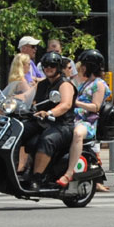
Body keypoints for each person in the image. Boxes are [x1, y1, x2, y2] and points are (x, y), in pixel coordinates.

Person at [55, 49, 109, 188]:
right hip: (74, 117)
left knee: (78, 134)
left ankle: (69, 173)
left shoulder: (99, 84)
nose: (81, 67)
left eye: (84, 64)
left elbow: (96, 107)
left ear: (92, 66)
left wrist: (76, 103)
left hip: (88, 121)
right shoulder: (85, 82)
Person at [23, 51, 76, 189]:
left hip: (63, 125)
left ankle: (37, 177)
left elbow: (66, 104)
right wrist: (9, 101)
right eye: (46, 65)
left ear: (58, 66)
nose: (48, 68)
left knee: (47, 140)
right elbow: (26, 96)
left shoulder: (65, 84)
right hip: (43, 122)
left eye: (52, 65)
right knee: (20, 131)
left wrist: (50, 112)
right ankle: (20, 169)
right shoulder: (42, 84)